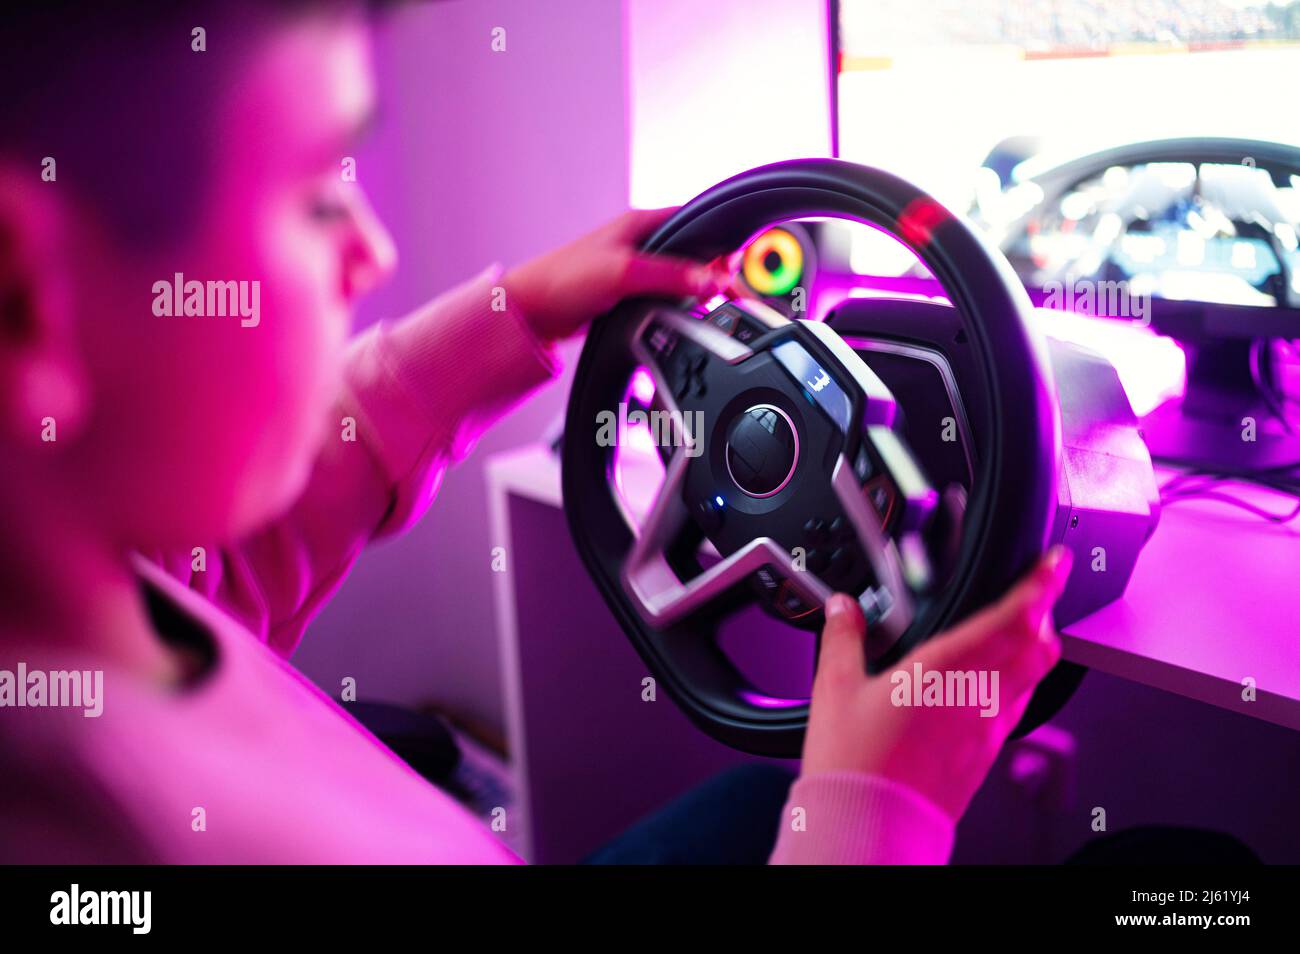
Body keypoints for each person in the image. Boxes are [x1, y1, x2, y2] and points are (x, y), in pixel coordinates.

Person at [0, 2, 1071, 864]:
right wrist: (874, 815)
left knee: (757, 799)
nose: (371, 251)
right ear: (27, 293)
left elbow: (219, 576)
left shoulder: (71, 594)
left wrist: (511, 313)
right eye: (314, 194)